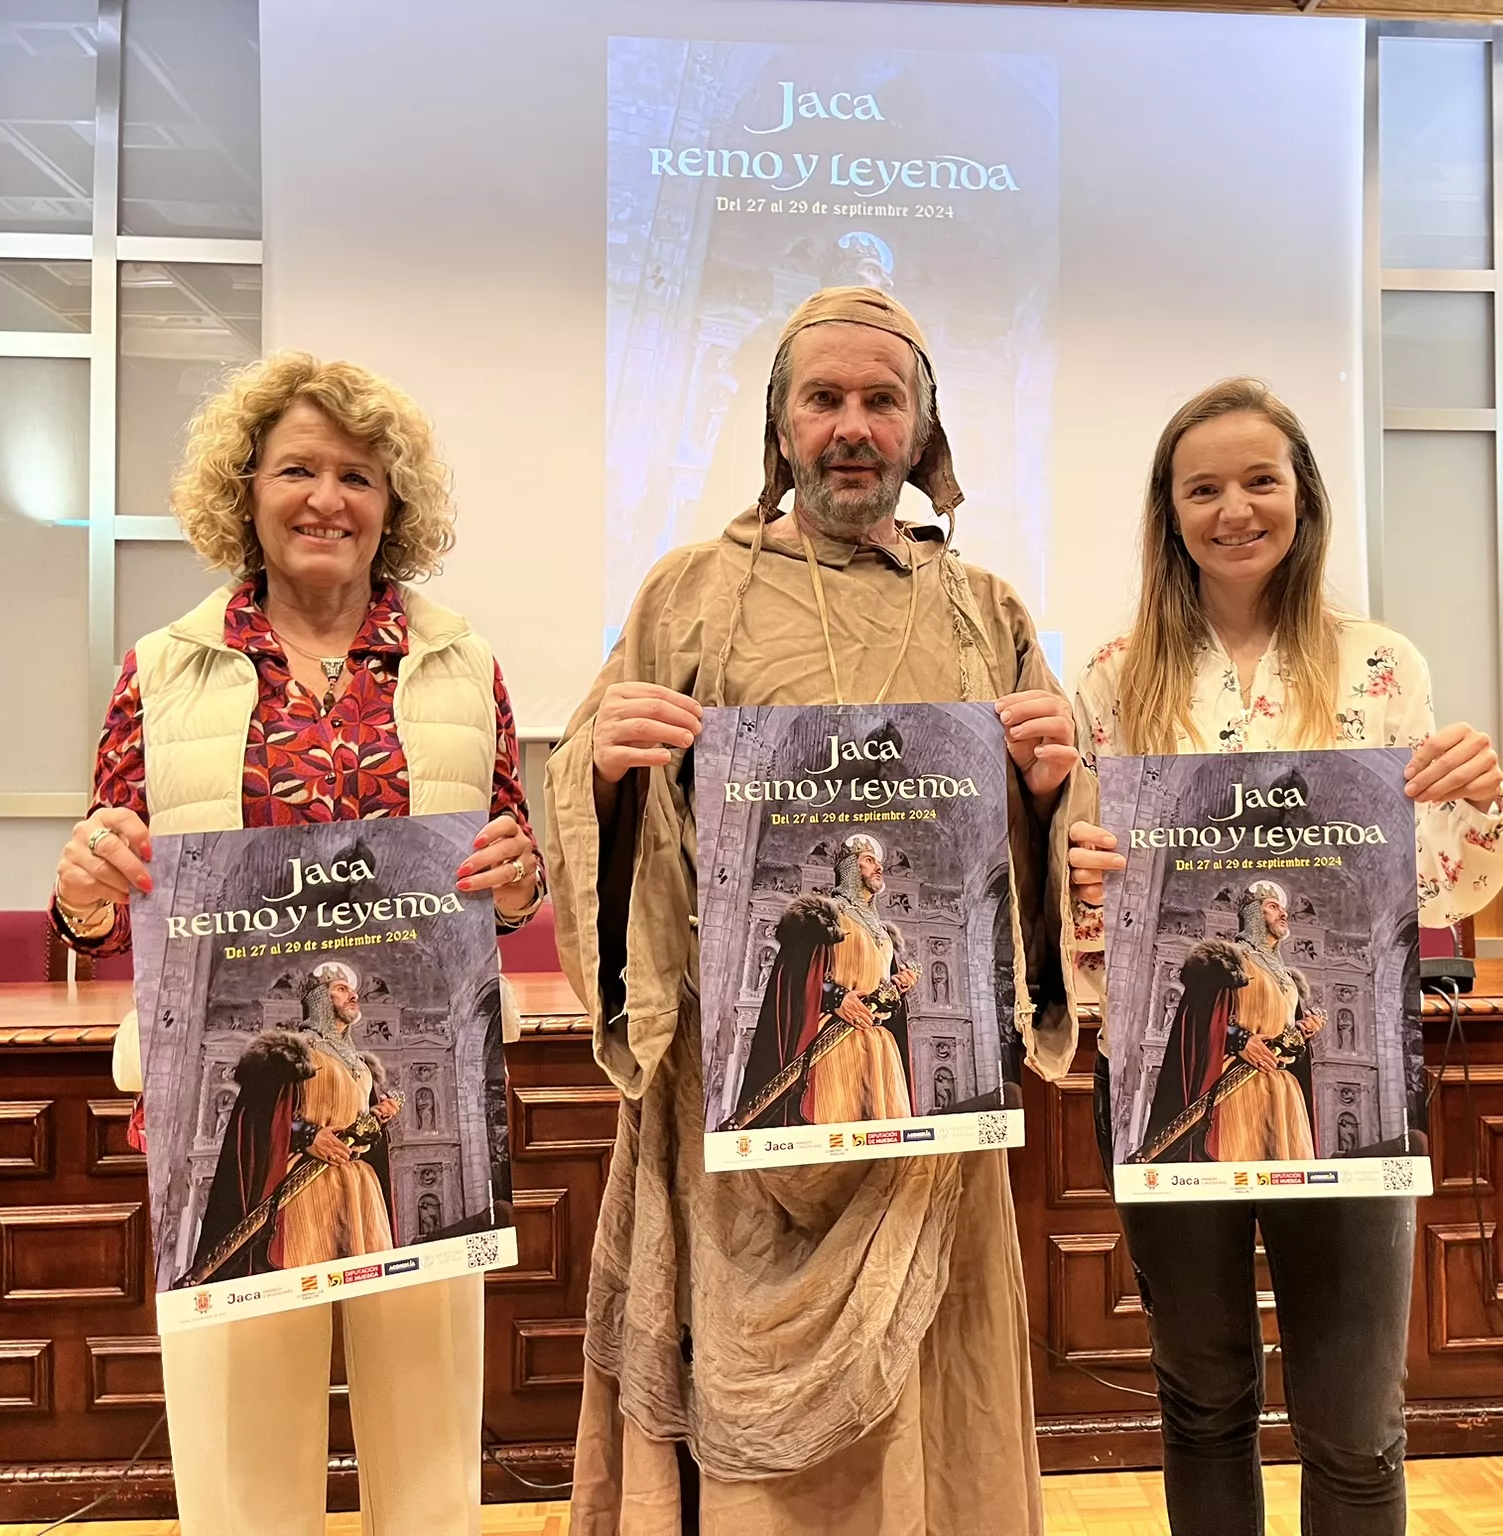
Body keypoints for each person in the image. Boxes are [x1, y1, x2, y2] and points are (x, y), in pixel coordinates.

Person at [542, 285, 1089, 1535]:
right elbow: (588, 802)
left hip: (923, 1120)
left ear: (920, 430)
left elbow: (1055, 841)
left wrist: (1055, 789)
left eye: (879, 401)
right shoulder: (686, 593)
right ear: (781, 426)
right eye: (823, 399)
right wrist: (607, 771)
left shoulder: (984, 609)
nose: (851, 425)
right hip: (734, 1112)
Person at [49, 352, 545, 1536]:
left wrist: (520, 880)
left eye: (358, 476)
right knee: (239, 1473)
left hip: (418, 1112)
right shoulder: (161, 671)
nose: (327, 499)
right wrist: (81, 889)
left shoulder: (462, 662)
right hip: (223, 1111)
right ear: (247, 491)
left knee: (428, 1464)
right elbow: (107, 903)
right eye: (297, 471)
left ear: (394, 504)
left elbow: (505, 872)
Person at [1065, 378, 1503, 1535]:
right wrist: (1081, 881)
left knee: (1355, 1422)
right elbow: (1083, 883)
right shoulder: (1114, 680)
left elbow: (1438, 882)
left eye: (1259, 480)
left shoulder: (1380, 667)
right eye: (1200, 487)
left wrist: (1472, 796)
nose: (1232, 510)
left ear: (1302, 497)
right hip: (1169, 1070)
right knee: (1203, 1402)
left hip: (1343, 1075)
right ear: (1167, 513)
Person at [190, 962, 402, 1282]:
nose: (353, 994)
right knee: (306, 1282)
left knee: (364, 1283)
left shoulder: (361, 1066)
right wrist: (307, 1136)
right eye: (341, 989)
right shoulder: (292, 1054)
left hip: (359, 1188)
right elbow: (261, 1118)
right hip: (305, 1184)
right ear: (318, 999)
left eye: (351, 989)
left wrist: (375, 1121)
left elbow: (357, 1129)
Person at [732, 832, 921, 1128]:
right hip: (832, 1043)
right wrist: (836, 997)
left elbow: (879, 995)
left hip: (881, 1050)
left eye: (878, 862)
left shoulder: (884, 935)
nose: (878, 867)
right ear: (848, 868)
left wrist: (897, 990)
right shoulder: (823, 919)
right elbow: (797, 976)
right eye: (869, 861)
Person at [1140, 881, 1324, 1166]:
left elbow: (1283, 1041)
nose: (1282, 914)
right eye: (1273, 907)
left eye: (1283, 909)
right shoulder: (1227, 962)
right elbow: (1198, 1020)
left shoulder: (1288, 981)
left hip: (1284, 1092)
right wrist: (1239, 1039)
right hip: (1235, 1085)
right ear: (1251, 913)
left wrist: (1301, 1034)